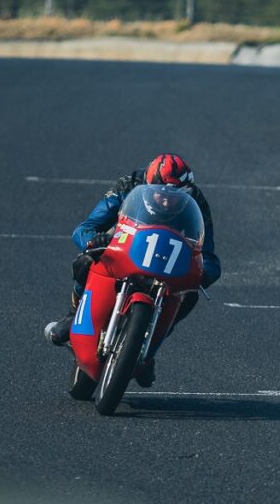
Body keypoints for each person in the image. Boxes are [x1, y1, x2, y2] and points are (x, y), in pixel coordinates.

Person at [44, 154, 221, 387]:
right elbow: (86, 227)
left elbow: (206, 251)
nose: (166, 201)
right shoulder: (129, 184)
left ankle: (150, 345)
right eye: (160, 192)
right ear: (148, 182)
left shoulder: (195, 199)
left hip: (167, 259)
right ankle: (73, 313)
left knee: (190, 294)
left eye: (175, 195)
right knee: (85, 261)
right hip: (126, 244)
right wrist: (92, 241)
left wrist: (206, 272)